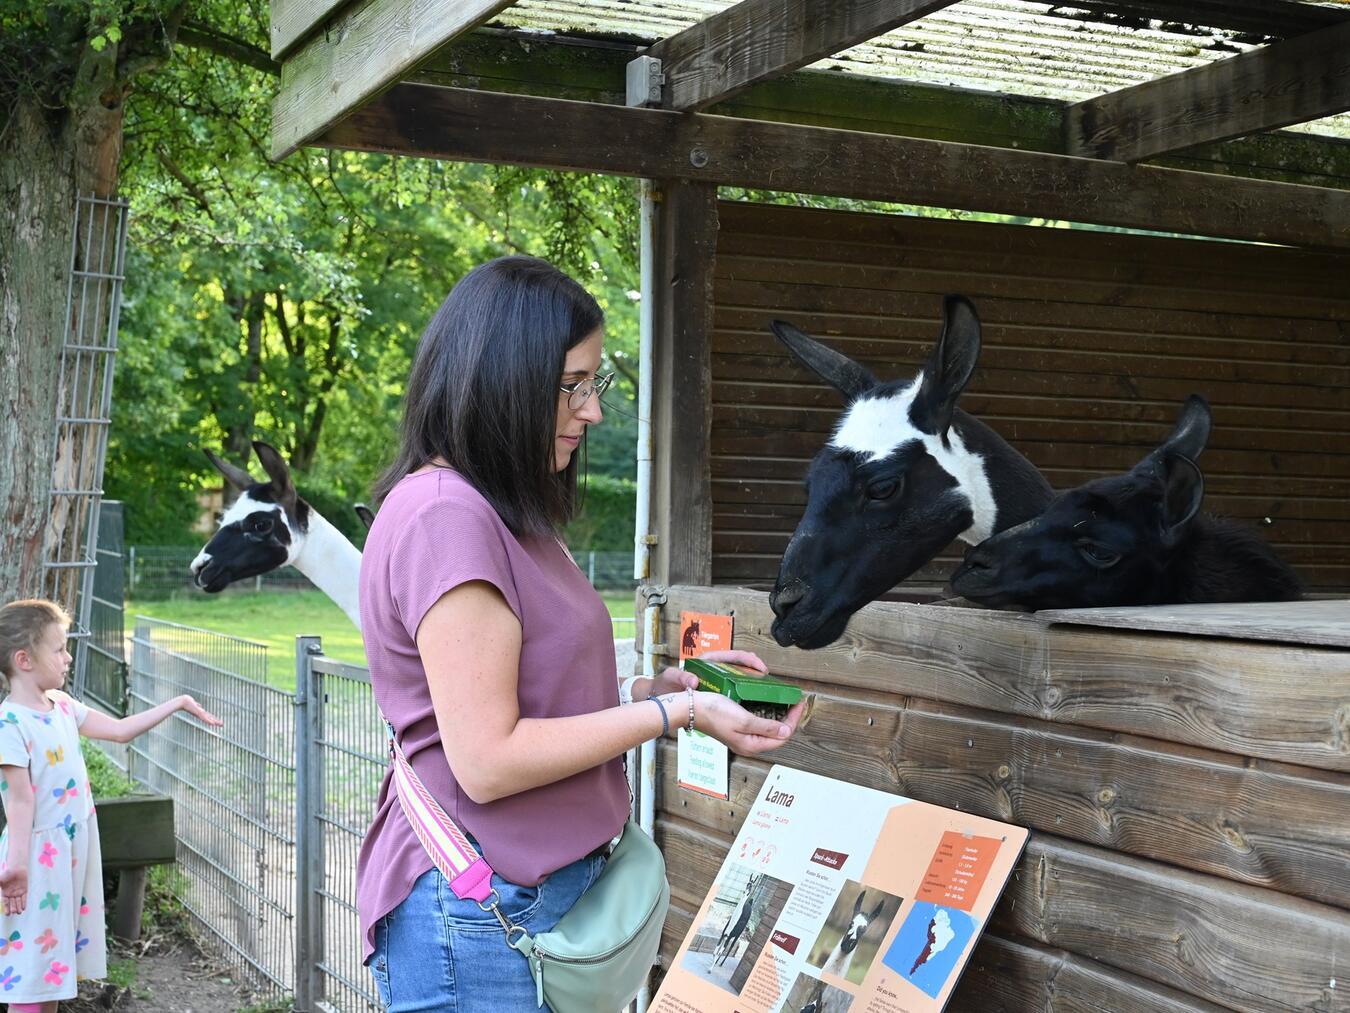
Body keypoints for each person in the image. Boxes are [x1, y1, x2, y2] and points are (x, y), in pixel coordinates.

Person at [358, 255, 805, 1011]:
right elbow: (488, 759)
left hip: (530, 904)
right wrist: (676, 712)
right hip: (482, 919)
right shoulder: (446, 517)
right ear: (503, 380)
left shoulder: (506, 510)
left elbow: (528, 685)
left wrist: (653, 687)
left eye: (595, 384)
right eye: (574, 385)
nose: (592, 411)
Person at [0, 598, 223, 1013]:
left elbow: (120, 731)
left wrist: (177, 702)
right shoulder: (10, 722)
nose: (68, 657)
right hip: (38, 861)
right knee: (32, 977)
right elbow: (20, 799)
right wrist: (17, 867)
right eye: (59, 649)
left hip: (72, 851)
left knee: (54, 974)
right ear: (24, 660)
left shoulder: (62, 706)